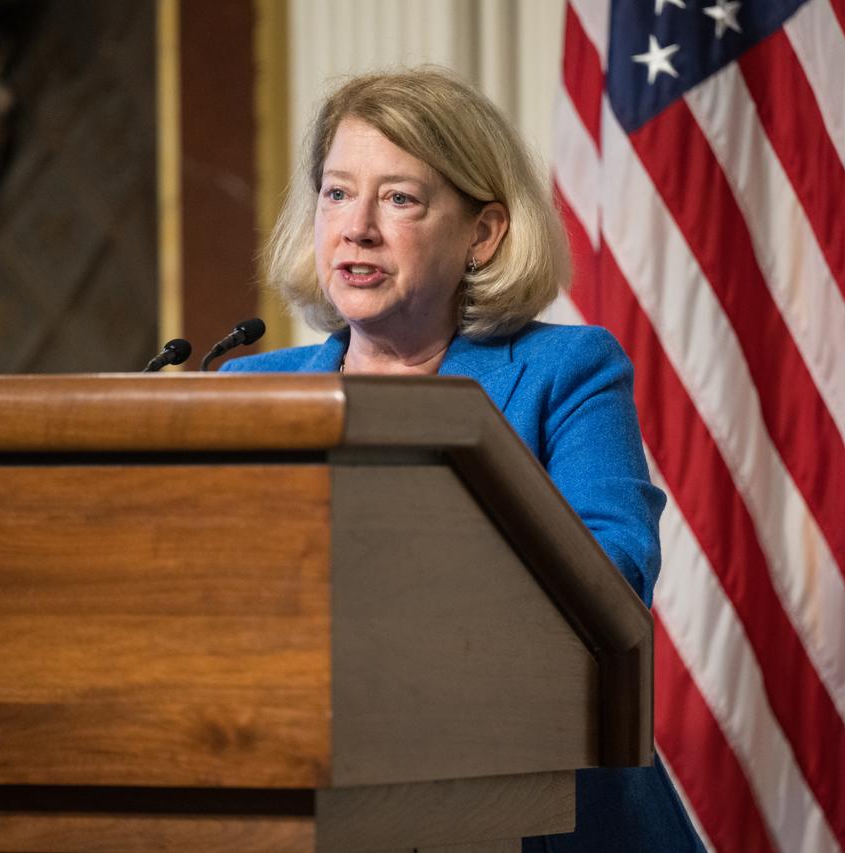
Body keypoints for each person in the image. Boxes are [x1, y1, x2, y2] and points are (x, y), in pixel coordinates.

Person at [221, 68, 702, 852]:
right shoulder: (249, 386)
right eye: (337, 193)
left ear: (483, 234)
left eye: (400, 198)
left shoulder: (568, 371)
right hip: (303, 808)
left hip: (536, 814)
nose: (357, 227)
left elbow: (613, 575)